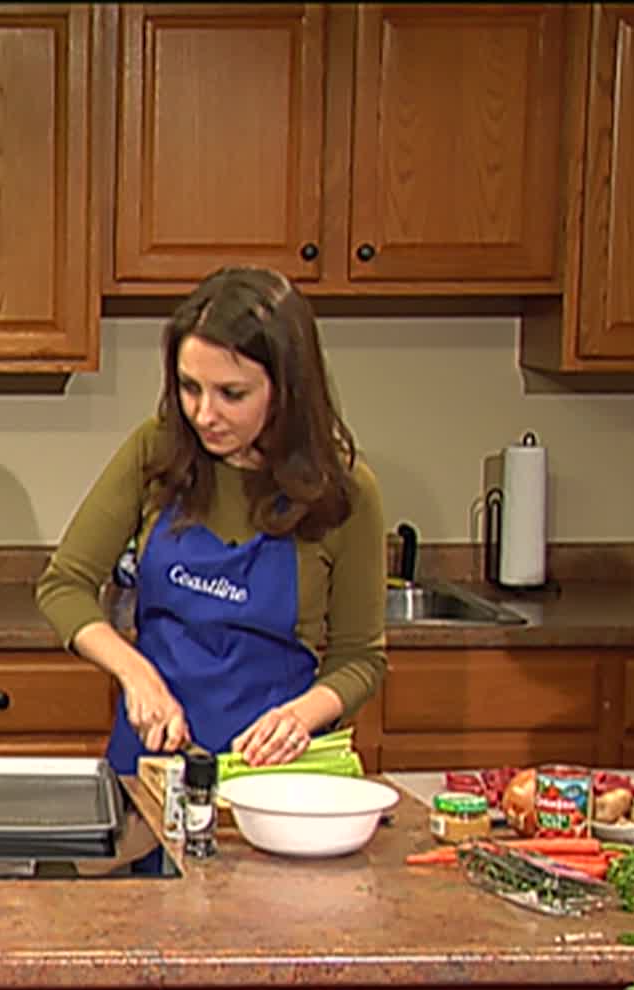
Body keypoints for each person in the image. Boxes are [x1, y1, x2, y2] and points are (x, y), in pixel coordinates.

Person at [36, 265, 386, 777]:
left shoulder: (345, 492)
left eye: (232, 394)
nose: (203, 414)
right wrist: (136, 675)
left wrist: (298, 718)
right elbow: (63, 585)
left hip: (268, 776)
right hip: (154, 765)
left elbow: (361, 657)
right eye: (189, 387)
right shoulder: (157, 450)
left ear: (286, 387)